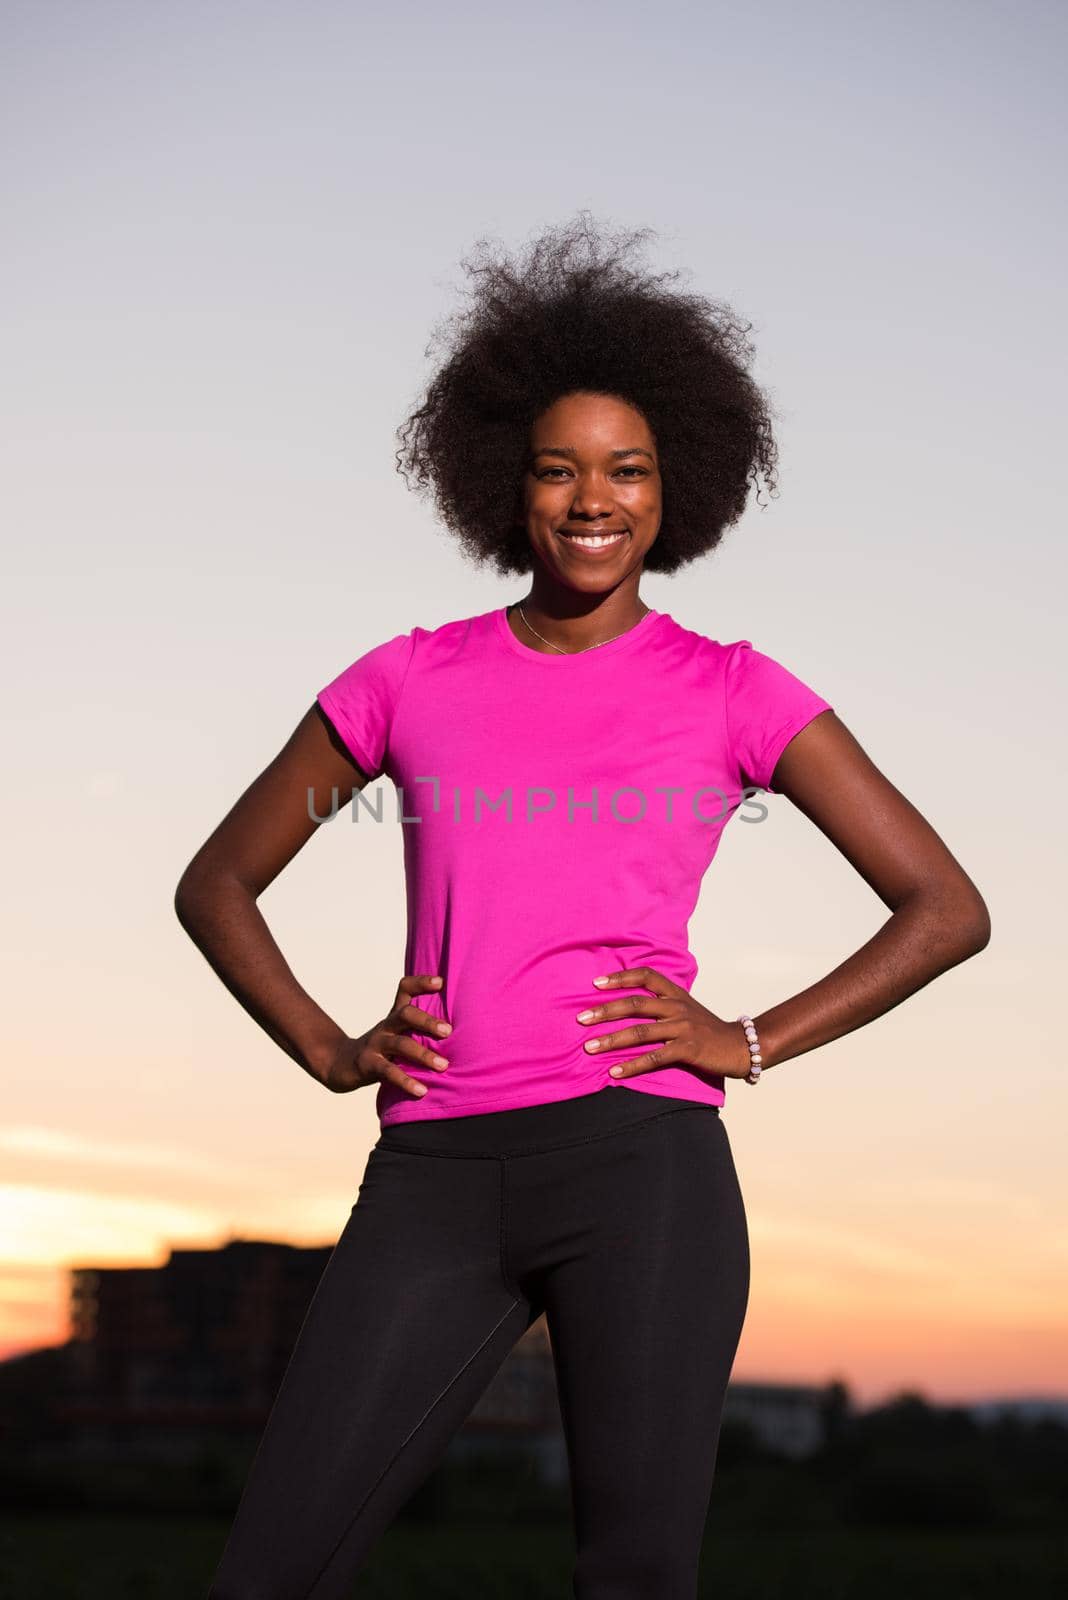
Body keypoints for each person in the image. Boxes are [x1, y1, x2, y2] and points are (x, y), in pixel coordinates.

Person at [176, 213, 991, 1600]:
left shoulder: (733, 689)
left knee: (634, 1576)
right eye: (559, 469)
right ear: (511, 484)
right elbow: (218, 883)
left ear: (678, 489)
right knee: (273, 1570)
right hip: (433, 1175)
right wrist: (326, 1045)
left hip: (642, 1173)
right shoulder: (407, 679)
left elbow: (943, 906)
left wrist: (744, 1039)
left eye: (628, 469)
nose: (592, 499)